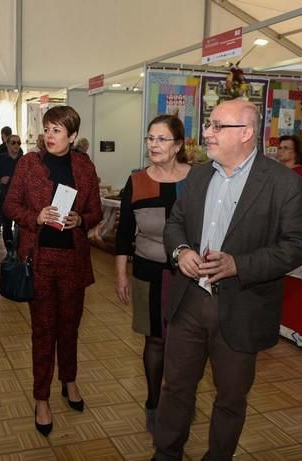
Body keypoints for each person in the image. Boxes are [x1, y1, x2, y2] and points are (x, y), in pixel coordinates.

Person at [153, 99, 302, 460]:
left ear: (245, 133)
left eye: (215, 126)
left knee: (230, 398)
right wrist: (181, 251)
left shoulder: (283, 184)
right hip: (190, 302)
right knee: (175, 387)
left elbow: (299, 246)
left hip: (242, 306)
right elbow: (175, 222)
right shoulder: (197, 175)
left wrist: (240, 264)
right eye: (208, 125)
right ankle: (166, 453)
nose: (206, 133)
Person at [4, 106, 102, 437]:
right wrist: (36, 216)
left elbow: (96, 210)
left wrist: (82, 220)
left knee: (70, 328)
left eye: (57, 130)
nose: (49, 135)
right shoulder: (29, 164)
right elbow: (10, 205)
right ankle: (41, 397)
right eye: (47, 129)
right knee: (44, 331)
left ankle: (69, 380)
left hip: (73, 261)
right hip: (40, 259)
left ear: (72, 136)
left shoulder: (84, 166)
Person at [114, 114, 190, 434]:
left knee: (186, 342)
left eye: (161, 139)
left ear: (178, 146)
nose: (153, 145)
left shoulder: (196, 180)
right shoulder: (137, 181)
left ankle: (180, 403)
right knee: (155, 340)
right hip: (148, 270)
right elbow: (124, 233)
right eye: (150, 138)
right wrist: (120, 274)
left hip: (189, 275)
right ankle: (154, 402)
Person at [0, 134, 24, 245]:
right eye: (13, 142)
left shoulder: (24, 160)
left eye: (18, 143)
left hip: (21, 199)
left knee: (20, 225)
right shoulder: (1, 158)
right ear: (7, 144)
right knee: (6, 225)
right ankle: (10, 251)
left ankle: (19, 250)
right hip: (5, 196)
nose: (16, 145)